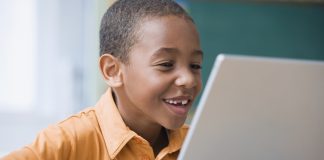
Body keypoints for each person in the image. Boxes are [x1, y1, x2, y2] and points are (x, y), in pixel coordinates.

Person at [1, 0, 203, 159]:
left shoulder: (201, 143)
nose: (188, 79)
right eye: (166, 64)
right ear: (112, 71)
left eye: (195, 66)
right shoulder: (67, 142)